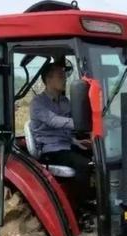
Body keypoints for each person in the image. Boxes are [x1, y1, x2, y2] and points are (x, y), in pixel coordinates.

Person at [29, 62, 92, 207]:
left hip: (67, 145)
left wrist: (77, 141)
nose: (65, 79)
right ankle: (82, 208)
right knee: (83, 164)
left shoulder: (65, 101)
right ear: (48, 79)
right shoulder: (38, 103)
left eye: (65, 76)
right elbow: (54, 121)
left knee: (99, 158)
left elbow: (70, 127)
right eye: (60, 76)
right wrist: (83, 123)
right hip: (50, 150)